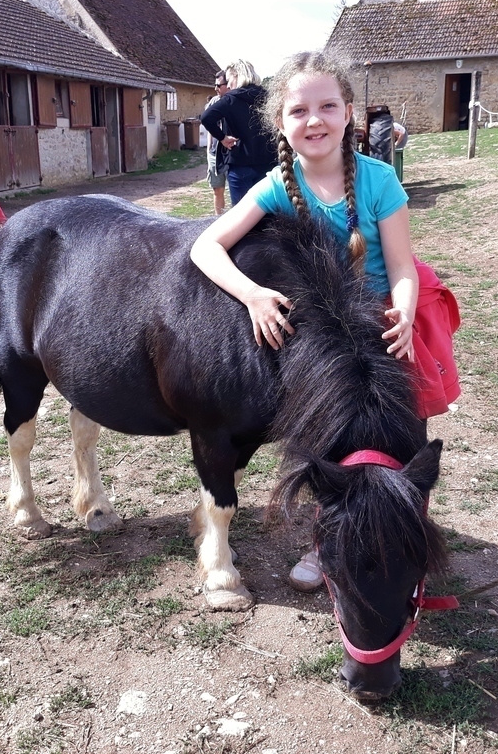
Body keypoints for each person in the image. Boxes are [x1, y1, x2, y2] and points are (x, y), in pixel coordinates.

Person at [189, 51, 460, 592]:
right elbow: (205, 247)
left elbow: (404, 266)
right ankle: (327, 541)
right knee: (329, 445)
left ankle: (404, 531)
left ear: (349, 113)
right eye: (299, 111)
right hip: (321, 340)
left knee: (403, 440)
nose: (314, 120)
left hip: (383, 328)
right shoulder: (272, 186)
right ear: (280, 125)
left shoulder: (380, 181)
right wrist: (254, 296)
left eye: (328, 106)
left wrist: (404, 316)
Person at [200, 60, 278, 206]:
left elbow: (206, 117)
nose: (228, 85)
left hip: (240, 164)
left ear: (237, 76)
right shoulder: (269, 97)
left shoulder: (231, 99)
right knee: (269, 216)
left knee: (242, 217)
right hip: (269, 164)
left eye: (229, 80)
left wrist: (222, 138)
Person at [205, 71, 230, 215]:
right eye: (215, 85)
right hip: (215, 153)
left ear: (229, 85)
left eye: (218, 85)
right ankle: (218, 219)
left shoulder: (234, 102)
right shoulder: (213, 103)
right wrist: (209, 148)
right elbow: (209, 125)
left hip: (232, 153)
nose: (215, 89)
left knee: (236, 190)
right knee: (217, 189)